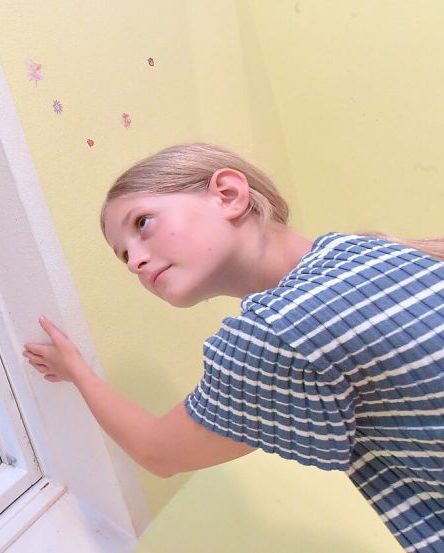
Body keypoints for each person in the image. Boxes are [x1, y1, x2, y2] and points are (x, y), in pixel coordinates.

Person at [23, 143, 444, 552]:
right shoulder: (364, 252)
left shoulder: (278, 330)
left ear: (228, 195)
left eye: (142, 224)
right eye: (124, 255)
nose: (134, 261)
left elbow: (157, 451)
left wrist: (78, 372)